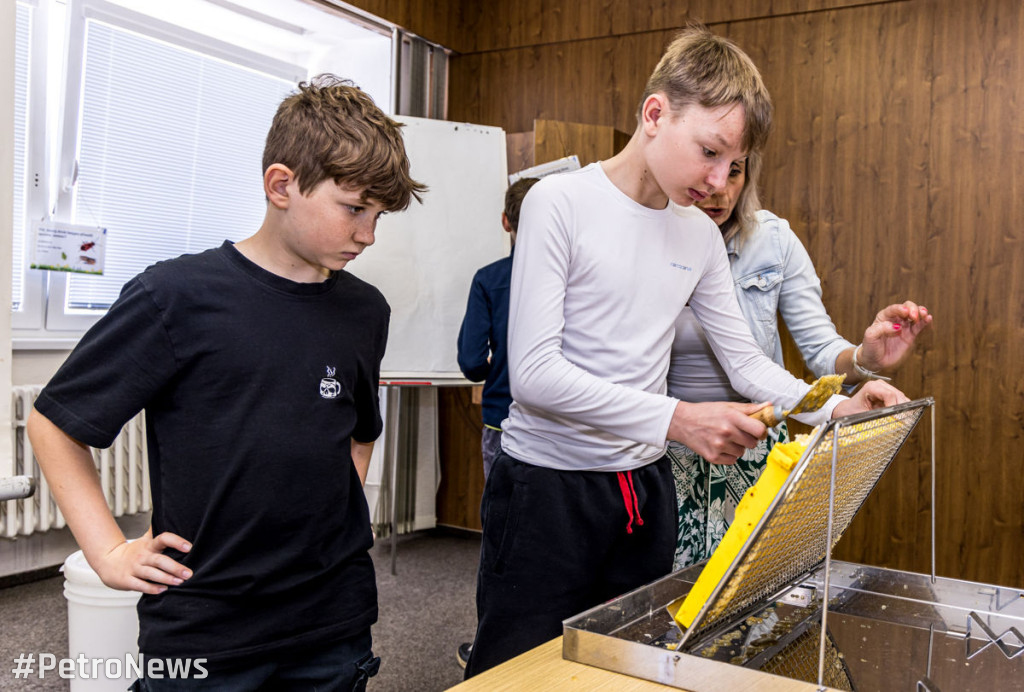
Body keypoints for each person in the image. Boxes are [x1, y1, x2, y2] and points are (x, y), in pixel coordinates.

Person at [464, 24, 909, 678]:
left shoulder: (697, 235)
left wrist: (834, 407)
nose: (719, 178)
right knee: (518, 673)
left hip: (645, 492)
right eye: (709, 151)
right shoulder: (560, 204)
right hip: (546, 492)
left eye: (735, 165)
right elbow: (533, 376)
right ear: (654, 114)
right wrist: (677, 418)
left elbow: (747, 365)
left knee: (628, 672)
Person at [27, 75, 426, 690]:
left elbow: (358, 431)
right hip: (207, 624)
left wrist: (328, 518)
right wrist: (108, 551)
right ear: (281, 185)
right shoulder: (175, 297)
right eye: (353, 209)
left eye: (378, 216)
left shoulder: (365, 309)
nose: (367, 235)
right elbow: (55, 421)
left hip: (332, 619)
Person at [668, 150, 932, 569]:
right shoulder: (656, 238)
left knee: (753, 591)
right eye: (711, 168)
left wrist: (865, 357)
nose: (720, 188)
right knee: (666, 596)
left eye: (736, 172)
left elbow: (819, 351)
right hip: (669, 446)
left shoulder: (772, 240)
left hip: (752, 442)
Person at [454, 176, 539, 669]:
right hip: (561, 424)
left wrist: (496, 373)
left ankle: (492, 648)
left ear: (506, 222)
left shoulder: (490, 278)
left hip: (502, 421)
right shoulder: (576, 275)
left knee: (502, 534)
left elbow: (470, 361)